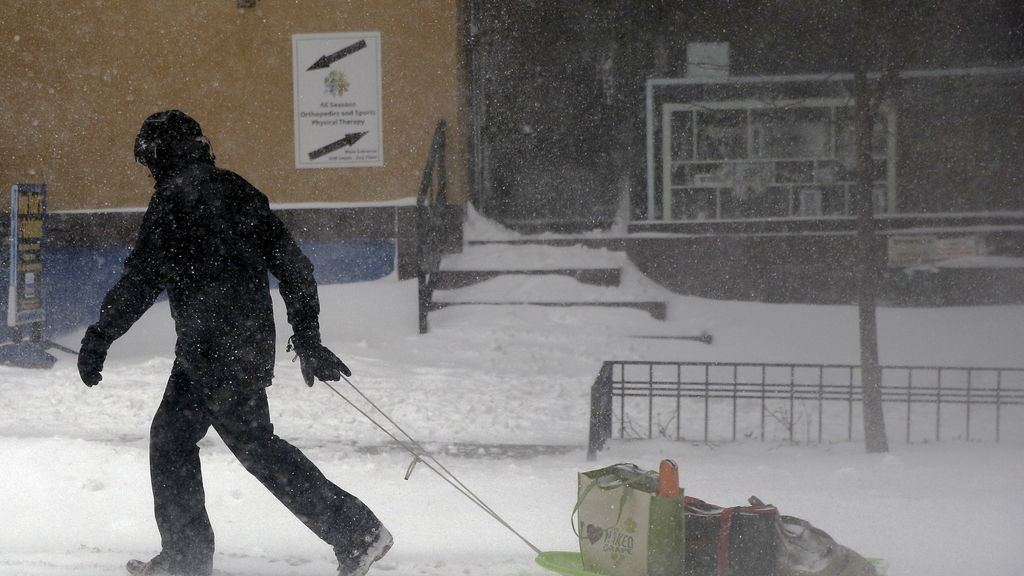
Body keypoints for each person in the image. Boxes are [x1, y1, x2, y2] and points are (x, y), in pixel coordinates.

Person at [77, 110, 392, 576]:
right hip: (231, 346)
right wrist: (307, 337)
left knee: (246, 447)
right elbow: (295, 267)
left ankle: (357, 532)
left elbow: (141, 280)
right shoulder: (239, 190)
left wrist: (100, 335)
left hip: (213, 350)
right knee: (179, 439)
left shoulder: (173, 202)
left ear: (160, 155)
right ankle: (189, 555)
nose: (149, 171)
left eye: (148, 161)